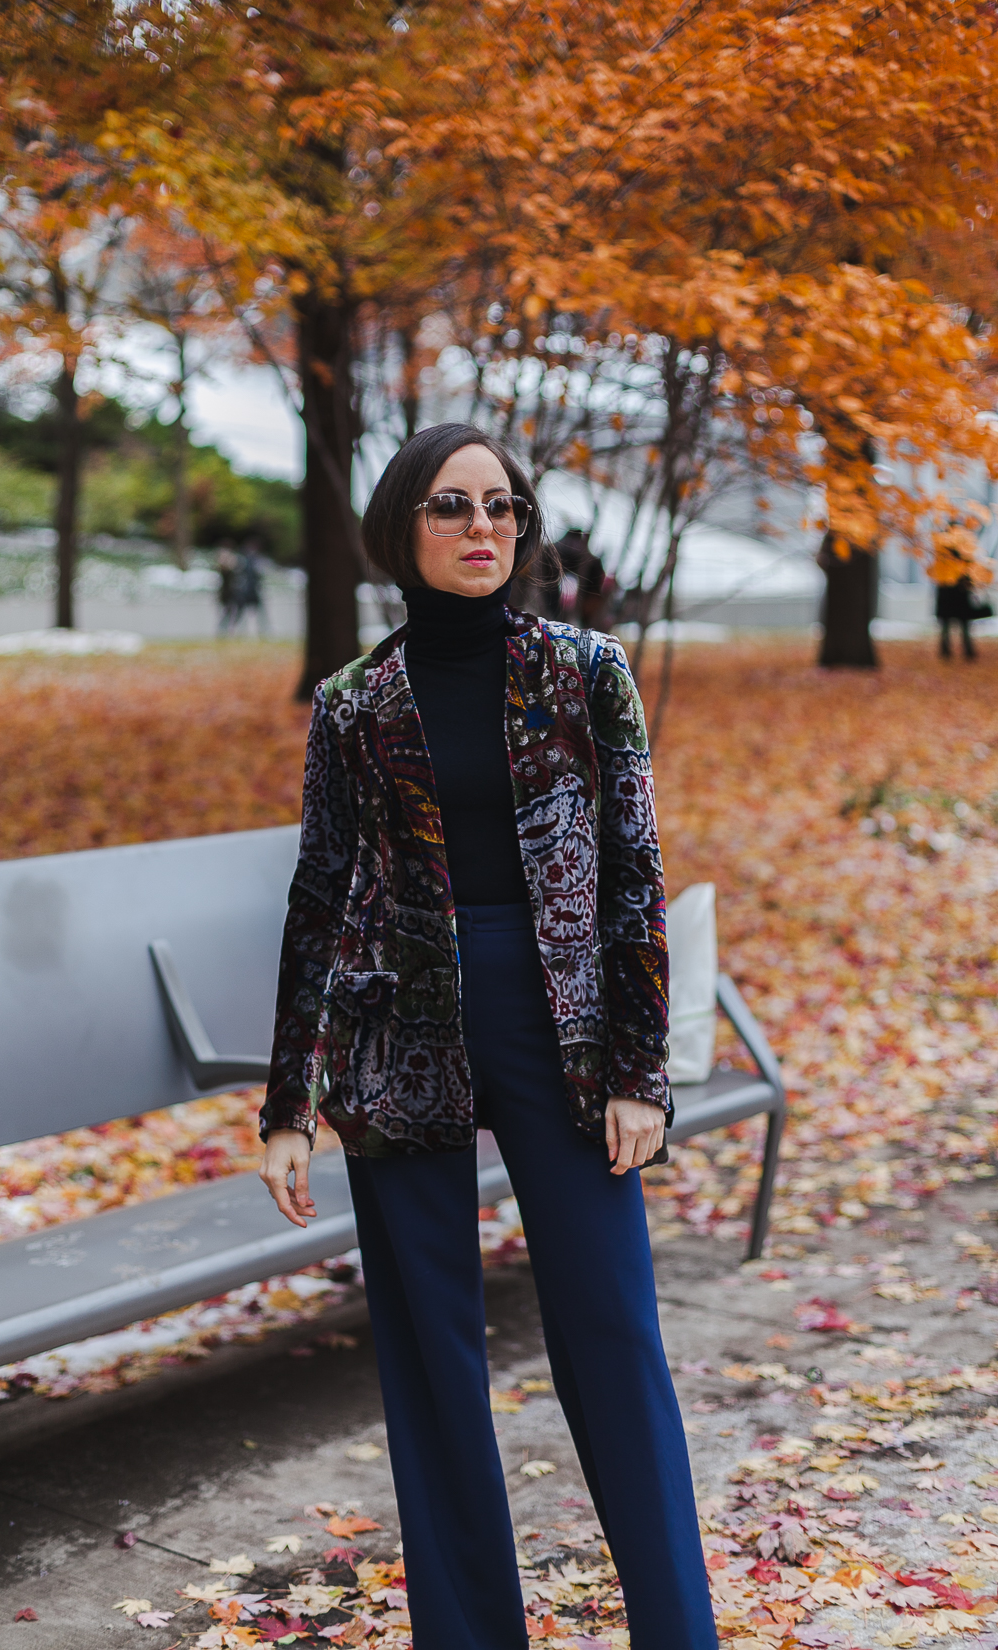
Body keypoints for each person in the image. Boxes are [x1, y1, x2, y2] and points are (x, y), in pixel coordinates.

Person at [259, 422, 717, 1650]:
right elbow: (319, 892)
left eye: (502, 508)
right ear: (402, 528)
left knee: (611, 1329)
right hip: (397, 1029)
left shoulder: (582, 670)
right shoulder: (356, 702)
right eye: (453, 507)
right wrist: (285, 1103)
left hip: (557, 1028)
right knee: (429, 1356)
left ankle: (677, 1630)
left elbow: (633, 873)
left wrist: (639, 1072)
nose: (482, 529)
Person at [216, 544, 239, 635]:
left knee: (230, 613)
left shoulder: (231, 570)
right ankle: (223, 630)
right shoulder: (223, 571)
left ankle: (227, 630)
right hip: (225, 594)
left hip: (231, 594)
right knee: (225, 613)